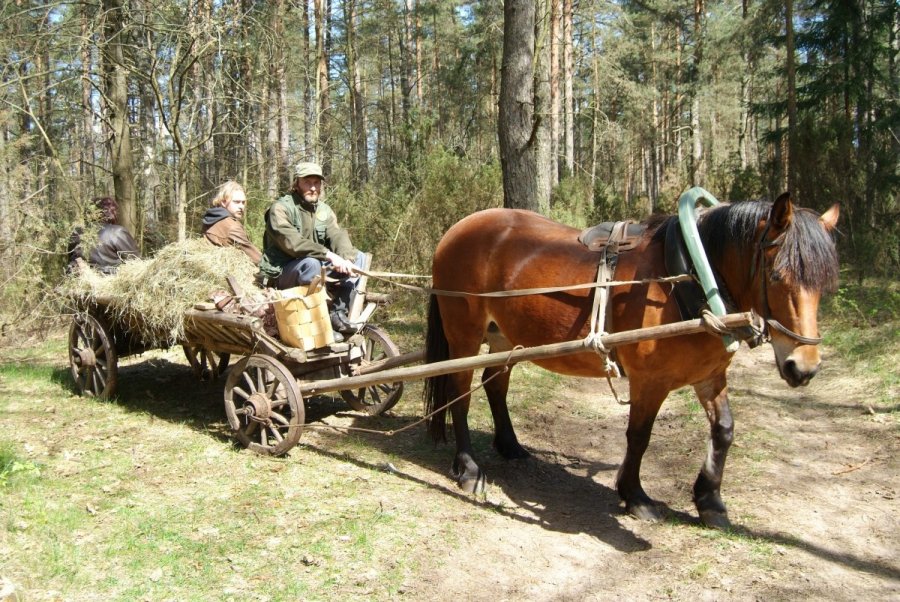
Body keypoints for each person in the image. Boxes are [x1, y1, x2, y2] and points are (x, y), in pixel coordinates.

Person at [258, 162, 366, 335]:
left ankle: (337, 313)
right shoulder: (280, 208)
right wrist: (329, 255)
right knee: (311, 264)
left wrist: (346, 258)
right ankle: (317, 325)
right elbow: (293, 243)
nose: (313, 188)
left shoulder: (324, 210)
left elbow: (337, 234)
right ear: (296, 183)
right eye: (308, 182)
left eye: (317, 183)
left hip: (315, 267)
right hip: (283, 272)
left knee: (358, 257)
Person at [67, 196, 141, 274]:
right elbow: (135, 263)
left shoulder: (76, 233)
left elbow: (71, 260)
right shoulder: (117, 232)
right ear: (110, 212)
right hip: (110, 283)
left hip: (80, 283)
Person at [201, 180, 262, 264]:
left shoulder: (211, 218)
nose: (241, 206)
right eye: (236, 202)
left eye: (243, 202)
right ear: (223, 202)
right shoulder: (232, 227)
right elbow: (256, 258)